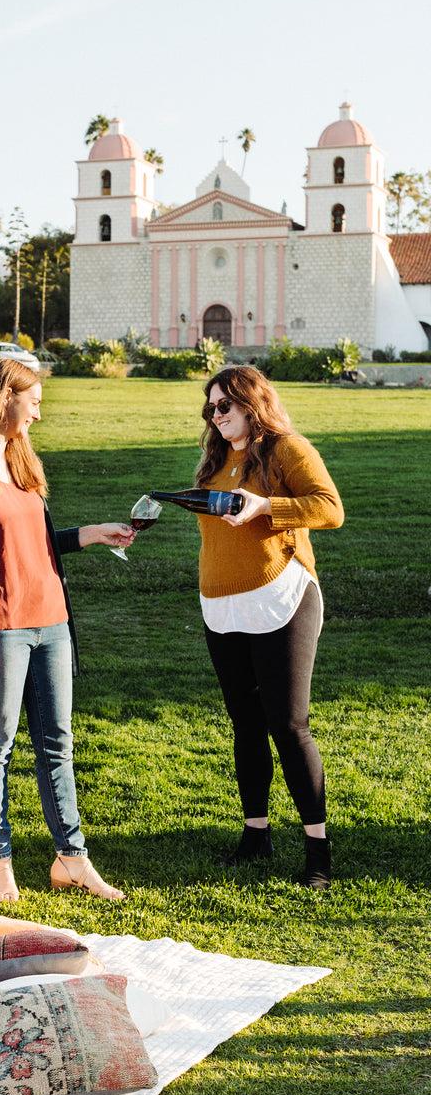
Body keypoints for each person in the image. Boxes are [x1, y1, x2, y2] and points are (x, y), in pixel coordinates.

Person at [0, 358, 133, 903]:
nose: (39, 413)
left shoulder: (22, 464)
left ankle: (72, 858)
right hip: (1, 626)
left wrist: (91, 534)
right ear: (5, 399)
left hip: (52, 621)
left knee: (57, 744)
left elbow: (34, 544)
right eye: (34, 402)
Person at [194, 365, 344, 889]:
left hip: (283, 598)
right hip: (223, 607)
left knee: (289, 724)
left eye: (224, 407)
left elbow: (330, 509)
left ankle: (317, 849)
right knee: (245, 724)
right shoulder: (215, 459)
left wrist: (267, 507)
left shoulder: (286, 448)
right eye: (210, 410)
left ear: (251, 403)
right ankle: (255, 833)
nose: (216, 417)